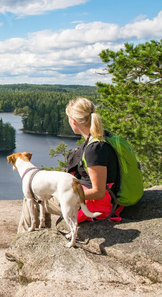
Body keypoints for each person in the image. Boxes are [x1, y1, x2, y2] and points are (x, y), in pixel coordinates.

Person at [17, 97, 120, 234]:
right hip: (89, 196)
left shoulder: (95, 149)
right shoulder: (99, 139)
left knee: (32, 196)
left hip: (95, 204)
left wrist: (65, 194)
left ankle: (26, 239)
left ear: (73, 121)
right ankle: (43, 233)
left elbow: (99, 192)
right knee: (43, 190)